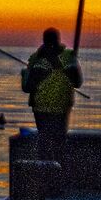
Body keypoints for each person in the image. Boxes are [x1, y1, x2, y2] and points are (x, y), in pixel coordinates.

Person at [20, 27, 82, 173]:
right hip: (54, 108)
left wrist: (24, 74)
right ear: (58, 39)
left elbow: (27, 87)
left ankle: (48, 177)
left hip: (49, 108)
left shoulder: (36, 58)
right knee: (57, 143)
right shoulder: (68, 56)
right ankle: (55, 177)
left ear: (44, 40)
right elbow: (78, 82)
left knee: (47, 144)